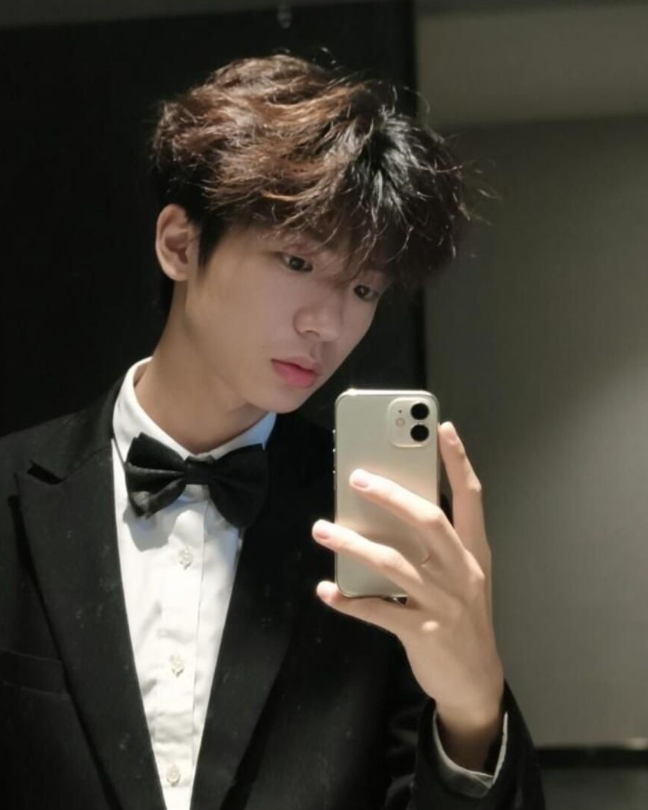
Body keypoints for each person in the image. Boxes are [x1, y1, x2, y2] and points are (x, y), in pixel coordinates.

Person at [0, 55, 544, 809]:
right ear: (180, 245)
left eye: (364, 287)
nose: (328, 323)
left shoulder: (379, 523)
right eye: (296, 260)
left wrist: (473, 708)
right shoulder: (14, 493)